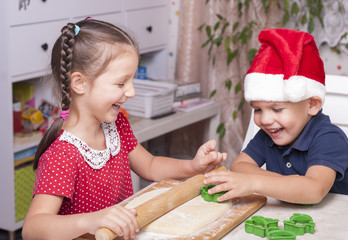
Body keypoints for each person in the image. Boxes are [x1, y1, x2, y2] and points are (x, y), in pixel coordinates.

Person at [22, 19, 227, 240]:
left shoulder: (115, 125)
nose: (131, 92)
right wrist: (92, 220)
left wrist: (193, 166)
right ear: (79, 83)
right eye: (121, 83)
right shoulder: (62, 155)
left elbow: (150, 165)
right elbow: (33, 228)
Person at [204, 28, 348, 205]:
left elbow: (313, 191)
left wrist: (255, 182)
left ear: (312, 105)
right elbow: (239, 167)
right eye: (258, 110)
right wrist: (285, 185)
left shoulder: (329, 138)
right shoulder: (268, 135)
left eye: (276, 109)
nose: (265, 120)